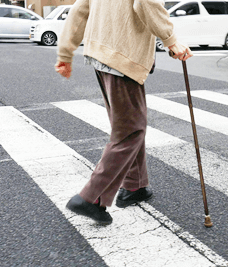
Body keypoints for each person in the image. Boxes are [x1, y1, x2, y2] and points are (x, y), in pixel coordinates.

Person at [55, 0, 193, 225]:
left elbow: (79, 11)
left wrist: (65, 52)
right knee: (130, 131)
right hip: (122, 56)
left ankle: (135, 186)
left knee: (129, 123)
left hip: (102, 55)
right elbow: (146, 3)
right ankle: (91, 198)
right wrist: (171, 40)